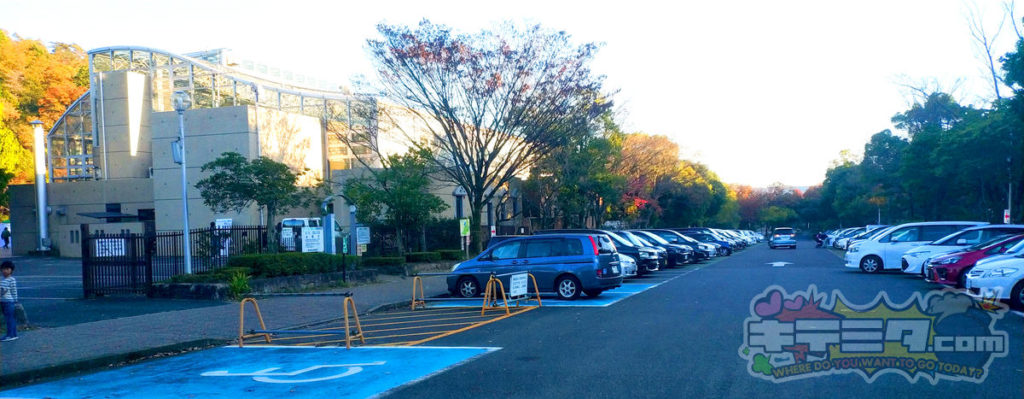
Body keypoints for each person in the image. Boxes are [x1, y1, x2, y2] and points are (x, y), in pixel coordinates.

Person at [1, 260, 18, 341]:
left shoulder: (11, 279)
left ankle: (11, 335)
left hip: (8, 302)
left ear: (11, 270)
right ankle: (13, 334)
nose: (4, 271)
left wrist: (15, 300)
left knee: (10, 319)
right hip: (3, 302)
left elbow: (13, 290)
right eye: (3, 269)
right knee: (9, 318)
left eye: (7, 269)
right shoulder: (2, 279)